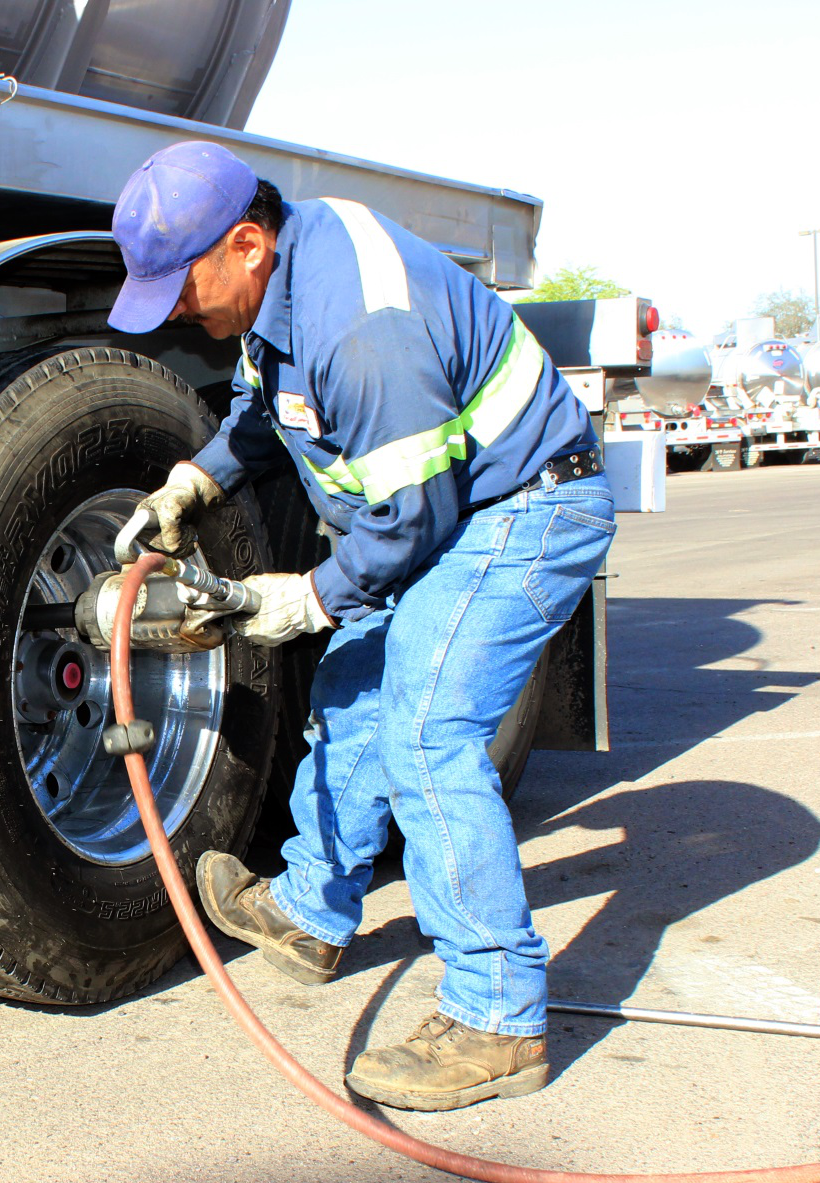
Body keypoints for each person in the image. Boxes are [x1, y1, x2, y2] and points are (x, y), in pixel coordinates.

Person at [105, 141, 616, 1112]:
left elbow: (410, 522)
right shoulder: (285, 285)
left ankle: (498, 1014)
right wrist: (194, 479)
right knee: (351, 692)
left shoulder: (361, 328)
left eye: (181, 285)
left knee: (425, 733)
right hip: (445, 508)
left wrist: (298, 598)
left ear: (246, 243)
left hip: (524, 509)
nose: (175, 308)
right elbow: (269, 407)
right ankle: (312, 909)